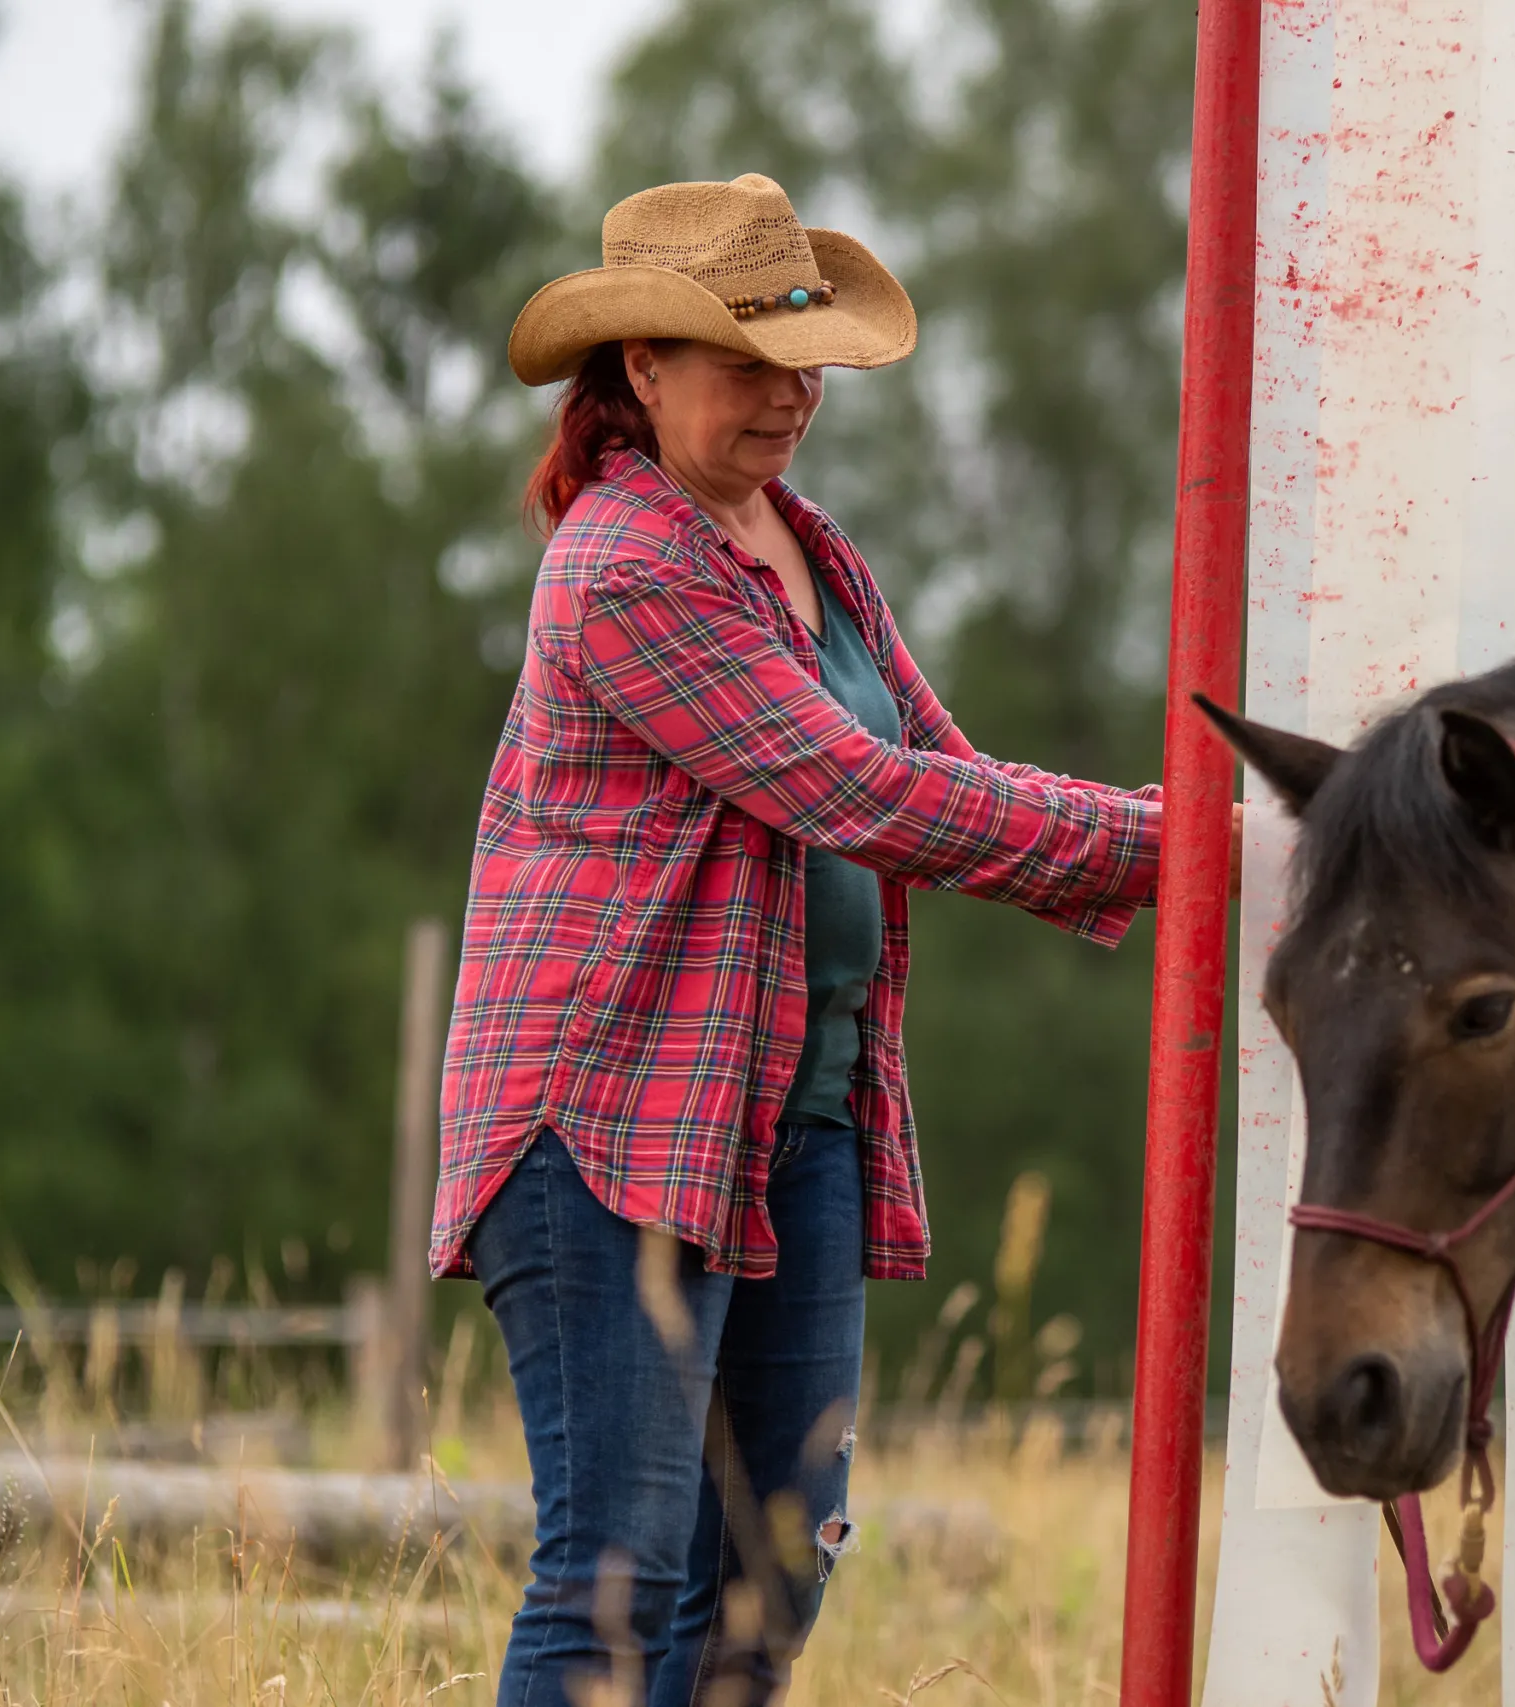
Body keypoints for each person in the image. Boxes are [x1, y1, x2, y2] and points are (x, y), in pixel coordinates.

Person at [430, 173, 1165, 1706]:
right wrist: (1175, 843)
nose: (788, 395)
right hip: (604, 1118)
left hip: (794, 1114)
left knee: (776, 1566)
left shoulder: (810, 547)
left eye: (801, 358)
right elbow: (858, 790)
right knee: (616, 1575)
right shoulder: (626, 565)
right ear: (642, 367)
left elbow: (945, 769)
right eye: (746, 361)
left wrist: (1171, 830)